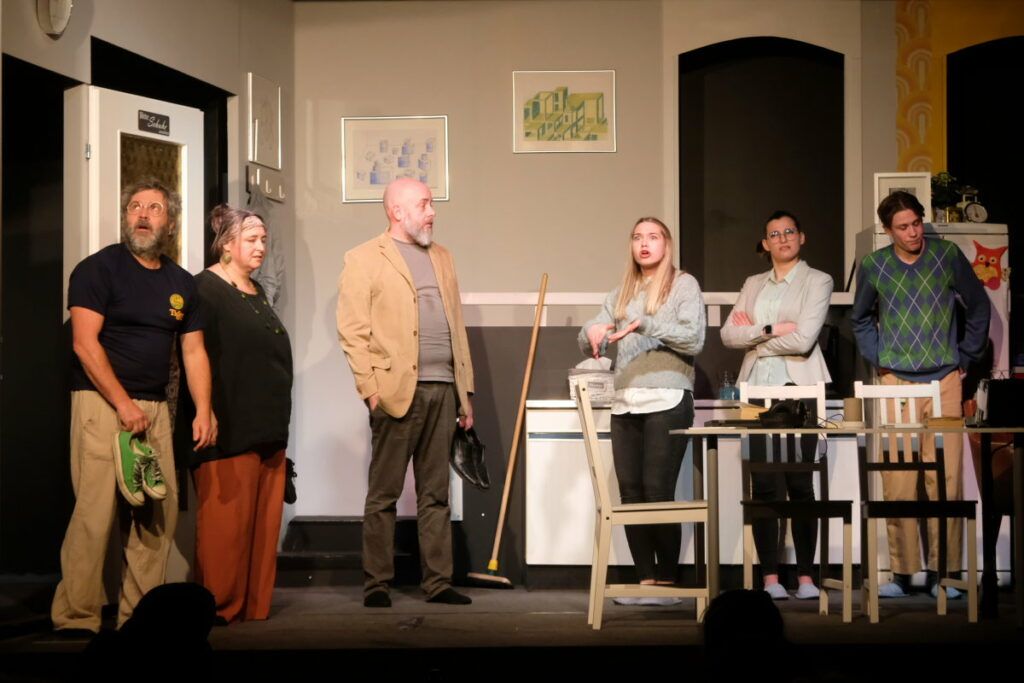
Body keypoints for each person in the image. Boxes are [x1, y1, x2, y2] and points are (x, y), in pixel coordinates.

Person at [51, 178, 215, 637]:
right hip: (101, 402)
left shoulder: (181, 283)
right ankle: (76, 617)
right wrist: (123, 404)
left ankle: (139, 619)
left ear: (170, 222)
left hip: (155, 407)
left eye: (155, 208)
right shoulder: (98, 269)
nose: (143, 214)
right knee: (95, 512)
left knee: (156, 515)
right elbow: (84, 344)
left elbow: (194, 352)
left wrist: (204, 409)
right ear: (126, 217)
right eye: (135, 207)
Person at [337, 177, 474, 608]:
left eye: (432, 204)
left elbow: (457, 327)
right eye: (424, 204)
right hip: (396, 391)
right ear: (397, 211)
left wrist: (465, 392)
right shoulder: (364, 258)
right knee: (384, 494)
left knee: (437, 494)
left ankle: (438, 582)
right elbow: (352, 331)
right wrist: (370, 390)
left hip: (443, 390)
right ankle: (377, 583)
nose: (432, 212)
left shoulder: (443, 257)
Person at [852, 190, 990, 599]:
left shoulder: (946, 256)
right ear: (887, 230)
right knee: (898, 478)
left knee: (945, 477)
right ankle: (903, 572)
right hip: (897, 381)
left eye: (916, 223)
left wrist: (967, 355)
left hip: (944, 378)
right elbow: (860, 318)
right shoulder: (875, 265)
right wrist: (880, 359)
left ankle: (945, 572)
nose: (912, 233)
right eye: (903, 227)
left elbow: (979, 306)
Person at [579, 217, 705, 603]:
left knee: (657, 490)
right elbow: (592, 335)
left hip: (667, 398)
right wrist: (591, 333)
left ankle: (666, 582)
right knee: (631, 493)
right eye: (637, 237)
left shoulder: (683, 285)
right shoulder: (621, 293)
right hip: (626, 401)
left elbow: (694, 338)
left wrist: (644, 324)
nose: (644, 244)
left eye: (652, 237)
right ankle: (644, 580)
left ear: (666, 244)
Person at [720, 210, 833, 600]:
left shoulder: (818, 280)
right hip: (756, 391)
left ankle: (806, 577)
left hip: (799, 389)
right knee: (765, 484)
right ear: (765, 243)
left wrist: (755, 340)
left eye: (789, 231)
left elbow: (804, 340)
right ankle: (770, 578)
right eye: (774, 234)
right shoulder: (753, 283)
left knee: (800, 483)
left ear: (801, 237)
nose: (782, 238)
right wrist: (770, 329)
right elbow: (728, 336)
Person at [192, 205, 293, 624]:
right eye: (251, 239)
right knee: (226, 528)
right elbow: (193, 353)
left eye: (264, 240)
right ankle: (219, 608)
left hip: (268, 425)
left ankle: (253, 608)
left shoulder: (258, 291)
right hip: (230, 425)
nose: (260, 247)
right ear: (226, 245)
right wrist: (206, 411)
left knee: (262, 526)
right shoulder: (205, 289)